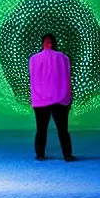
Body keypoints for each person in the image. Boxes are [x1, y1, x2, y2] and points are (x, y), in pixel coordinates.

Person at [29, 33, 76, 162]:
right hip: (59, 99)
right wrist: (68, 97)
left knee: (41, 129)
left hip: (40, 100)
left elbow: (33, 79)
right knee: (62, 130)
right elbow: (67, 78)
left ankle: (40, 154)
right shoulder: (63, 58)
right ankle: (67, 155)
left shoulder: (33, 59)